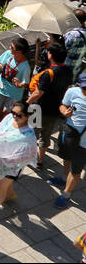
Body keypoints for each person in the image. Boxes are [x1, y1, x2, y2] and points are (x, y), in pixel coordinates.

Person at [28, 43, 71, 168]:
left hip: (39, 110)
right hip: (55, 110)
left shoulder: (49, 73)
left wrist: (27, 103)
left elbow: (38, 93)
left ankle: (27, 157)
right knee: (46, 136)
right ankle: (39, 161)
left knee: (31, 135)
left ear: (50, 55)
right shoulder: (68, 70)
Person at [54, 74, 86, 208]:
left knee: (76, 169)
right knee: (66, 157)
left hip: (84, 142)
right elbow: (63, 105)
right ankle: (63, 178)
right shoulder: (72, 92)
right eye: (84, 88)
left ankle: (66, 194)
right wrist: (64, 112)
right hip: (68, 133)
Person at [0, 37, 31, 113]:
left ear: (19, 51)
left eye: (12, 47)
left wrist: (19, 84)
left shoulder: (25, 66)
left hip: (13, 93)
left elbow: (26, 83)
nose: (9, 48)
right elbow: (2, 65)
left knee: (7, 112)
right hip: (1, 86)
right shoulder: (8, 54)